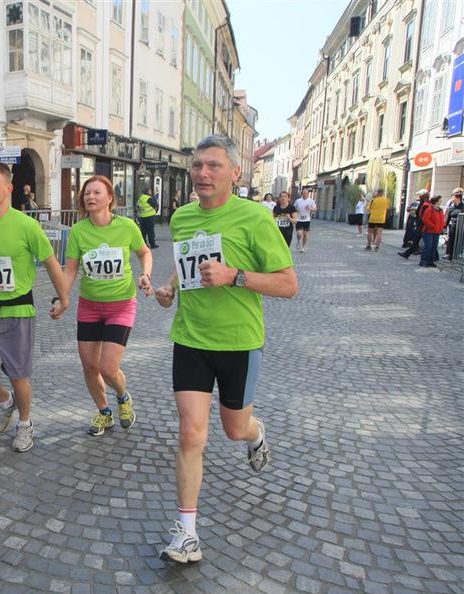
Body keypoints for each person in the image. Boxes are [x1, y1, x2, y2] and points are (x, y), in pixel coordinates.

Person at [152, 135, 298, 564]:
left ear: (235, 173)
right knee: (190, 433)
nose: (202, 173)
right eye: (197, 165)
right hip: (190, 339)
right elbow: (187, 265)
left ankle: (256, 434)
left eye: (213, 165)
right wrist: (170, 288)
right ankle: (187, 534)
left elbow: (289, 284)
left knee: (235, 429)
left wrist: (235, 276)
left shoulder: (254, 218)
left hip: (239, 343)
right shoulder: (182, 217)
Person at [0, 161, 70, 453]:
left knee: (18, 376)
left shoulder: (26, 225)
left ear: (8, 189)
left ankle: (24, 423)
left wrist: (63, 298)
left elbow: (51, 262)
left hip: (17, 313)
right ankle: (5, 401)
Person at [63, 175, 154, 436]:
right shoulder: (78, 231)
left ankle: (123, 397)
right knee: (90, 367)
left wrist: (145, 275)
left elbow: (144, 252)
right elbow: (70, 270)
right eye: (87, 193)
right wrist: (61, 297)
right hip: (89, 307)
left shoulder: (126, 226)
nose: (90, 197)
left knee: (108, 368)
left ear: (110, 198)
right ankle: (104, 412)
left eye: (97, 193)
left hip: (121, 305)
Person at [399, 190, 430, 259]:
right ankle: (408, 253)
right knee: (417, 240)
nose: (418, 196)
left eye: (420, 195)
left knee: (425, 241)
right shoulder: (424, 203)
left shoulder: (425, 204)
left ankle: (408, 253)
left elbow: (421, 214)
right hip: (421, 224)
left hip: (422, 224)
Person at [419, 194, 445, 267]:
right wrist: (433, 226)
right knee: (428, 246)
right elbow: (425, 220)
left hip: (437, 232)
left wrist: (442, 226)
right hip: (428, 232)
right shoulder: (429, 209)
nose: (441, 200)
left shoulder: (440, 210)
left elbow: (442, 219)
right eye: (440, 199)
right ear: (436, 201)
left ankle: (430, 261)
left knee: (434, 247)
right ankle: (423, 261)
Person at [293, 188, 317, 253]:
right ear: (302, 194)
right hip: (299, 219)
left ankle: (303, 247)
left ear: (308, 194)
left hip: (307, 220)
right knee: (299, 234)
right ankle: (298, 240)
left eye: (306, 193)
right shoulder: (298, 201)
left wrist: (310, 208)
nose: (305, 194)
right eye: (304, 193)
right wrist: (296, 210)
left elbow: (315, 209)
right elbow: (293, 208)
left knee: (305, 235)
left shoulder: (311, 201)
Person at [444, 188, 462, 260]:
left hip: (461, 228)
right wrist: (444, 227)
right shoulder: (451, 208)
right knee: (451, 240)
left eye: (453, 198)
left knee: (460, 241)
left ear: (458, 198)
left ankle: (458, 254)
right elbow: (447, 219)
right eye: (452, 198)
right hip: (453, 227)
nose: (452, 200)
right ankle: (449, 254)